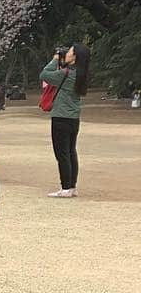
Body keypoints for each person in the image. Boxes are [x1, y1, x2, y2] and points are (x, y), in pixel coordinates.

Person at [41, 43, 90, 198]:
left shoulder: (66, 73)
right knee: (70, 151)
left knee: (61, 153)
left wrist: (56, 59)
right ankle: (72, 186)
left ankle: (66, 187)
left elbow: (45, 74)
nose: (67, 53)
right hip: (74, 117)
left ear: (75, 56)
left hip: (61, 116)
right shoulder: (81, 74)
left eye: (69, 51)